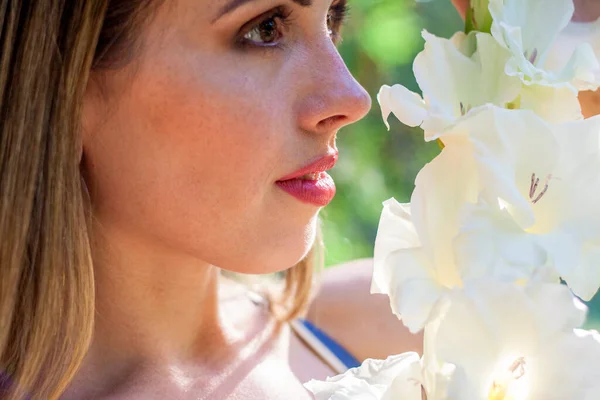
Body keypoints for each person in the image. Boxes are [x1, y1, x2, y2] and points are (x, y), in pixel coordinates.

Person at [0, 1, 420, 399]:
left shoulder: (407, 323)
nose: (351, 97)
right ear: (65, 89)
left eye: (331, 19)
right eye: (264, 28)